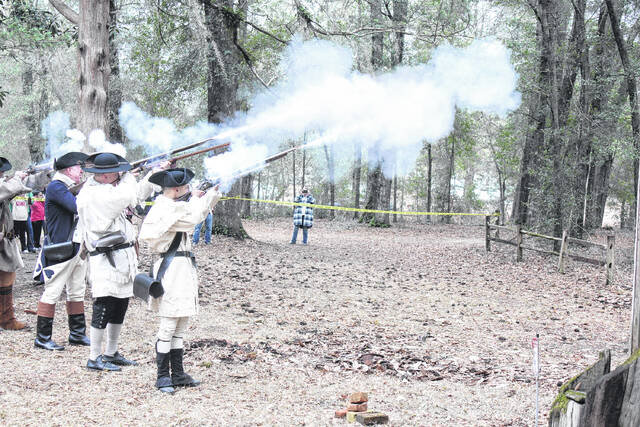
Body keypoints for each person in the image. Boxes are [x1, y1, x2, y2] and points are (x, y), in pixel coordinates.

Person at [76, 152, 168, 371]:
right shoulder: (93, 194)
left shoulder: (108, 188)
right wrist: (129, 176)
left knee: (120, 303)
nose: (120, 174)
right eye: (116, 172)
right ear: (106, 175)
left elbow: (135, 196)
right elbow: (126, 195)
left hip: (121, 256)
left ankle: (111, 352)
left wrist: (154, 173)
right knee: (104, 304)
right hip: (106, 257)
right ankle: (94, 356)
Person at [139, 168, 220, 393]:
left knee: (181, 323)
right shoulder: (164, 209)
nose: (188, 191)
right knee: (168, 324)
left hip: (182, 268)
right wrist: (203, 197)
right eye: (185, 188)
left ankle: (179, 373)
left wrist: (208, 194)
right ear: (176, 190)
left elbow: (193, 212)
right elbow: (193, 218)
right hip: (171, 269)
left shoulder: (174, 205)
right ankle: (163, 376)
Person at [34, 152, 90, 351]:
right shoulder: (57, 187)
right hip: (61, 247)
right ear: (68, 169)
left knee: (77, 290)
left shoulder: (64, 187)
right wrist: (92, 185)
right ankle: (42, 338)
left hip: (76, 247)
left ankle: (77, 334)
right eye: (78, 168)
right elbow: (77, 207)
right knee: (52, 291)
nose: (81, 171)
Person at [0, 157, 32, 330]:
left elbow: (20, 188)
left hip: (4, 240)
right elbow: (8, 188)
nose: (2, 175)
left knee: (6, 279)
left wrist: (25, 178)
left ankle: (6, 319)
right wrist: (16, 178)